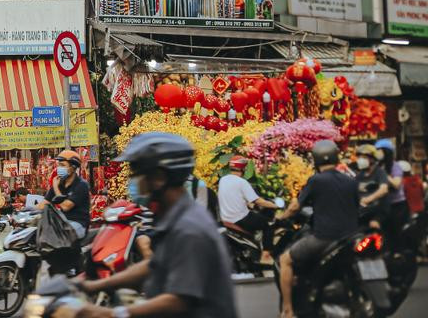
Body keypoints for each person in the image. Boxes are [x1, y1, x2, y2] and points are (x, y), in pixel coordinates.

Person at [76, 132, 237, 318]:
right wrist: (92, 284)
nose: (132, 180)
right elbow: (154, 265)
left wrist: (109, 314)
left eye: (136, 173)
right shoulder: (171, 219)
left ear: (159, 178)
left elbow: (177, 301)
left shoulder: (189, 229)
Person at [275, 140, 358, 318]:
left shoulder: (316, 180)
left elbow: (295, 207)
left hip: (324, 237)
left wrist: (281, 217)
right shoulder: (350, 181)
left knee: (285, 260)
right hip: (351, 237)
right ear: (336, 158)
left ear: (316, 160)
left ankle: (288, 310)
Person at [216, 156, 281, 251]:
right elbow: (259, 201)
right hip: (239, 219)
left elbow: (232, 196)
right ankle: (266, 256)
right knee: (269, 224)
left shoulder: (223, 180)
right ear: (243, 168)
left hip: (225, 219)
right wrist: (276, 205)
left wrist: (248, 204)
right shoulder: (242, 182)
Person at [39, 149, 91, 238]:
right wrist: (25, 213)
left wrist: (55, 187)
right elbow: (43, 205)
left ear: (73, 167)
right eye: (58, 165)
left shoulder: (81, 185)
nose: (59, 168)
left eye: (62, 165)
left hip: (78, 224)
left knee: (53, 237)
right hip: (62, 222)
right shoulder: (59, 184)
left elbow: (66, 206)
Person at [354, 144, 391, 227]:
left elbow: (384, 189)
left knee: (373, 225)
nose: (360, 160)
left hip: (378, 212)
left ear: (372, 159)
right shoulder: (360, 175)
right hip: (363, 212)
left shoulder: (379, 172)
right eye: (359, 157)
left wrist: (368, 199)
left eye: (364, 157)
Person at [376, 139, 408, 230]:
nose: (377, 153)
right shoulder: (377, 166)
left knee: (396, 234)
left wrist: (384, 173)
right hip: (383, 205)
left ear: (386, 152)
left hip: (397, 206)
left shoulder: (395, 166)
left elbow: (396, 184)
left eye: (379, 150)